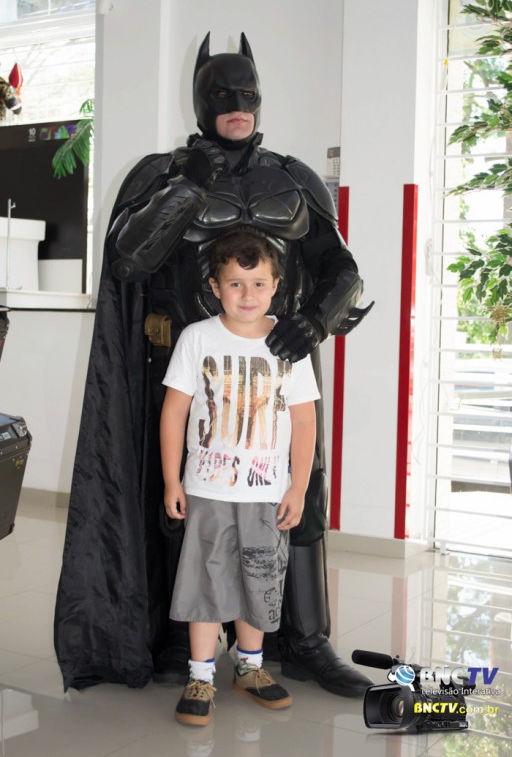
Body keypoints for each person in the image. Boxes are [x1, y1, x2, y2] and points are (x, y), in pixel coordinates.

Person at [54, 32, 373, 697]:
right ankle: (179, 635)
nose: (236, 104)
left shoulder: (293, 178)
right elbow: (129, 262)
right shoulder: (161, 174)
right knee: (185, 495)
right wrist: (184, 190)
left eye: (247, 92)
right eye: (221, 93)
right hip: (188, 357)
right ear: (199, 101)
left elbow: (342, 270)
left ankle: (305, 639)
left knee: (299, 492)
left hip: (281, 359)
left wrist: (315, 320)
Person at [162, 229, 319, 725]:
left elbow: (304, 421)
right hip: (207, 488)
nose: (247, 295)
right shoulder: (197, 338)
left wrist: (299, 486)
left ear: (275, 286)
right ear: (215, 287)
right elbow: (174, 412)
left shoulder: (290, 344)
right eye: (235, 284)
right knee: (206, 580)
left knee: (259, 580)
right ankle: (201, 675)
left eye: (258, 284)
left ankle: (250, 667)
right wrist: (172, 481)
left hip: (267, 492)